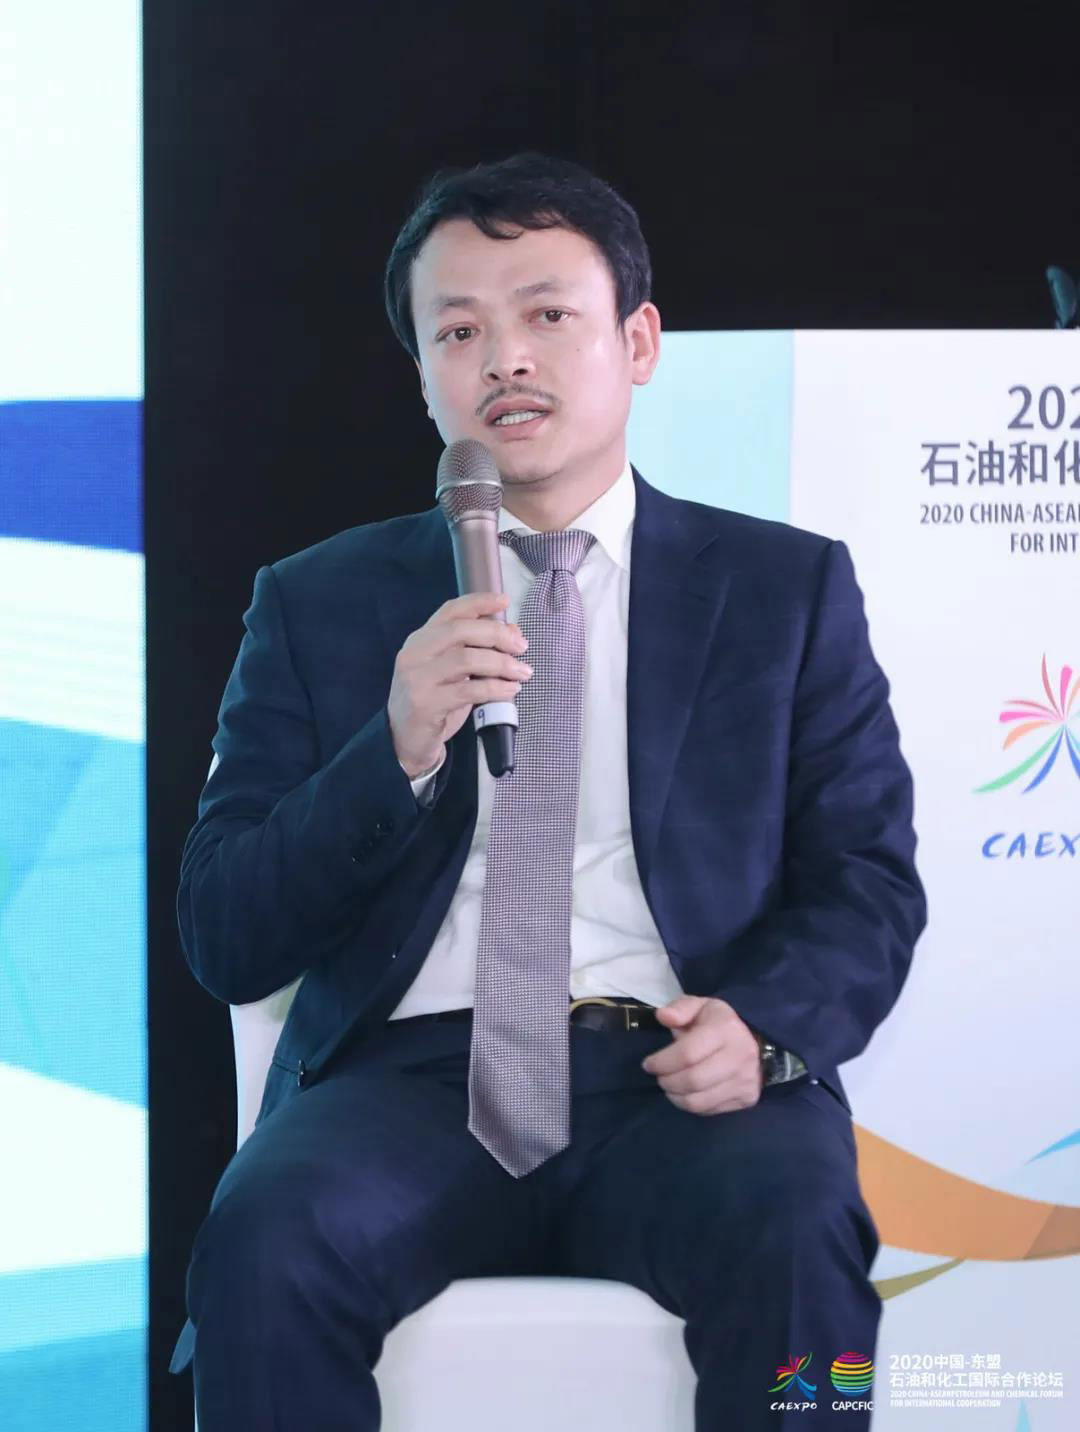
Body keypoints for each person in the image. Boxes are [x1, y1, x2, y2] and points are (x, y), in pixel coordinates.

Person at [168, 151, 927, 1429]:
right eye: (459, 331)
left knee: (804, 1236)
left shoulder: (782, 591)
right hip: (410, 1086)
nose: (505, 359)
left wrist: (763, 1025)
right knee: (263, 1241)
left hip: (680, 1071)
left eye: (547, 315)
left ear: (638, 341)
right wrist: (395, 748)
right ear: (423, 376)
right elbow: (225, 931)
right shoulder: (318, 601)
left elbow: (868, 882)